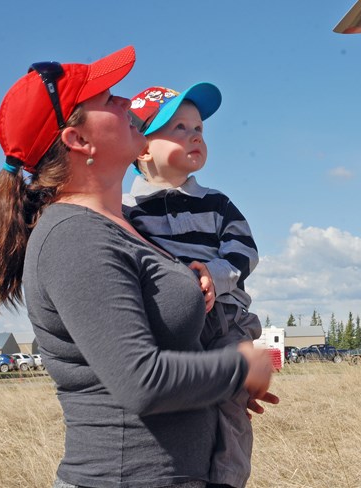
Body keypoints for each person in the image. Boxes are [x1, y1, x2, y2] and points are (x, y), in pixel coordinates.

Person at [0, 46, 277, 488]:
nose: (127, 102)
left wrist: (215, 386)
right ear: (79, 141)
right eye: (107, 99)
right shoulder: (75, 237)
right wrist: (240, 366)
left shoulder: (124, 228)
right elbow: (141, 381)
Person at [123, 84, 261, 488]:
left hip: (225, 319)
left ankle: (228, 480)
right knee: (188, 402)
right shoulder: (129, 211)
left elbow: (244, 251)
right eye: (178, 128)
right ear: (142, 148)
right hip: (175, 326)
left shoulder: (217, 203)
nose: (195, 135)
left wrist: (214, 276)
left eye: (198, 127)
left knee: (232, 405)